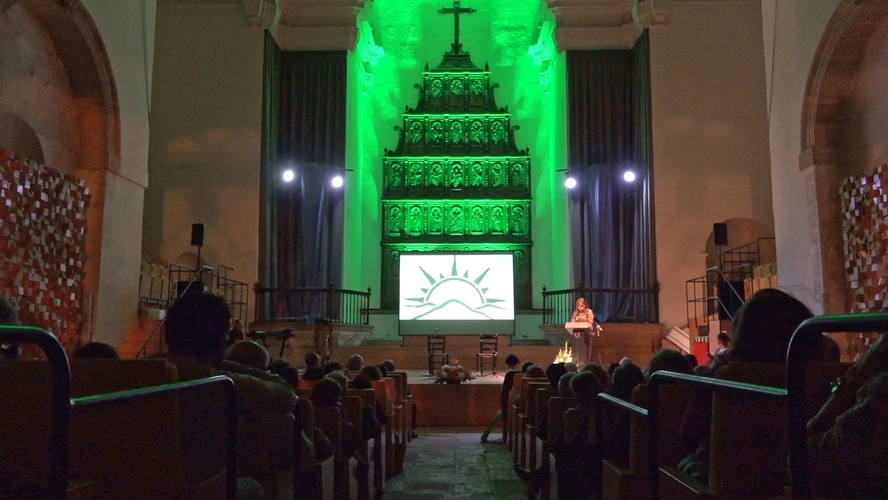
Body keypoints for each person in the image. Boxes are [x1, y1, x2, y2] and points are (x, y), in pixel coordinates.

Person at [569, 298, 595, 365]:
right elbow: (571, 323)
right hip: (577, 334)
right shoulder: (575, 313)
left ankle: (586, 363)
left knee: (586, 350)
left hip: (587, 333)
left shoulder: (589, 312)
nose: (580, 308)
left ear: (585, 306)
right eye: (579, 306)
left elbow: (590, 322)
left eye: (582, 306)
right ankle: (577, 363)